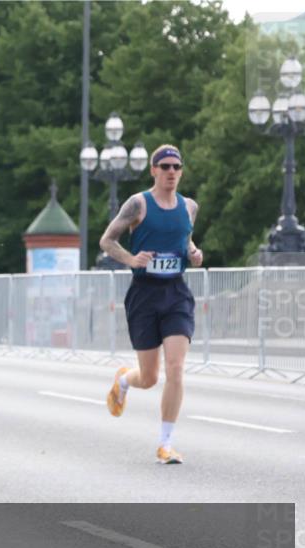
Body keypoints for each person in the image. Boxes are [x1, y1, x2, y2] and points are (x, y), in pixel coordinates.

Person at [101, 144, 204, 465]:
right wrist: (132, 259)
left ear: (181, 171)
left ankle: (165, 444)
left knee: (176, 367)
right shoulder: (138, 204)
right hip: (144, 295)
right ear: (154, 170)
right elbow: (107, 240)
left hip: (176, 294)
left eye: (176, 166)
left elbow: (185, 238)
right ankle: (123, 380)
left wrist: (193, 252)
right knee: (149, 378)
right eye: (165, 166)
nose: (171, 171)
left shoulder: (189, 207)